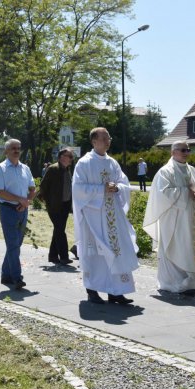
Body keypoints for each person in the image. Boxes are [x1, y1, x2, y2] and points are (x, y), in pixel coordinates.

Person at [72, 127, 139, 305]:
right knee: (95, 255)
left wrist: (117, 188)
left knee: (116, 252)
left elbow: (124, 183)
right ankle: (92, 291)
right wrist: (101, 189)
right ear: (94, 141)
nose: (108, 141)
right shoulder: (84, 163)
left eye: (109, 138)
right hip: (93, 218)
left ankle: (116, 292)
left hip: (112, 218)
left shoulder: (112, 163)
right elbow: (78, 190)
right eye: (104, 138)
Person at [143, 141, 195, 295]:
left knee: (190, 247)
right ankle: (172, 283)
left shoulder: (192, 170)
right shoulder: (165, 172)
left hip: (192, 218)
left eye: (188, 150)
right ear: (173, 152)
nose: (186, 152)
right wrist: (185, 192)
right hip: (175, 220)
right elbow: (163, 193)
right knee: (177, 246)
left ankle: (192, 284)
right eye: (183, 150)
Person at [0, 139, 35, 289]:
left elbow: (32, 188)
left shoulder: (25, 168)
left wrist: (26, 202)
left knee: (16, 244)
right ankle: (17, 278)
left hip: (23, 210)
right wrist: (19, 200)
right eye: (13, 148)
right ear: (6, 151)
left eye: (18, 148)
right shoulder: (0, 169)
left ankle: (6, 274)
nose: (16, 150)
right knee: (12, 244)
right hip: (8, 210)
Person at [38, 147, 74, 265]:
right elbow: (43, 186)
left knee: (59, 230)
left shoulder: (67, 169)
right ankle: (64, 256)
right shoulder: (53, 169)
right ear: (62, 157)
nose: (71, 159)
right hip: (54, 205)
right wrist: (46, 200)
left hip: (65, 205)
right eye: (69, 156)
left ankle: (53, 256)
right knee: (60, 231)